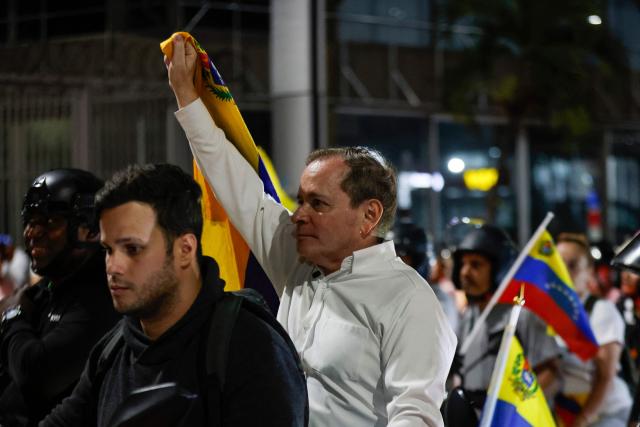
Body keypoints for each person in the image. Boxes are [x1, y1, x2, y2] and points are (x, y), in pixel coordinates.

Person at [166, 35, 456, 426]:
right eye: (300, 200)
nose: (298, 215)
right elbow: (237, 186)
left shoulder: (410, 301)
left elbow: (416, 416)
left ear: (368, 215)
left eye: (317, 204)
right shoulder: (298, 262)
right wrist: (188, 98)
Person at [42, 164, 308, 427]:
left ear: (185, 249)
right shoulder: (111, 350)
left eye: (132, 249)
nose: (113, 266)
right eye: (108, 250)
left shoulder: (250, 346)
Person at [0, 169, 120, 426]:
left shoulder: (102, 294)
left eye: (49, 222)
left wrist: (12, 316)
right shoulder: (46, 288)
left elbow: (36, 376)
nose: (32, 233)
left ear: (89, 229)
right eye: (30, 222)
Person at [451, 223, 560, 413]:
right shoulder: (469, 314)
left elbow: (551, 374)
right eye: (463, 264)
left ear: (499, 269)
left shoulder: (523, 314)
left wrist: (513, 408)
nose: (465, 272)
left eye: (475, 265)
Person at [554, 232, 632, 427]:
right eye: (557, 264)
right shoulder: (548, 313)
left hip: (607, 414)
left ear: (589, 271)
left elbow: (605, 377)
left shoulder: (602, 311)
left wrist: (582, 421)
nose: (563, 272)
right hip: (568, 411)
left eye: (572, 266)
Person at [391, 217, 459, 333]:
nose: (393, 266)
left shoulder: (437, 301)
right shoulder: (389, 295)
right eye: (390, 259)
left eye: (402, 258)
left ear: (419, 260)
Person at [0, 233, 30, 300]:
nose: (3, 250)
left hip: (20, 296)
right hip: (7, 296)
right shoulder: (4, 259)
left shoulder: (20, 257)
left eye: (3, 247)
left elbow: (20, 281)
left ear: (10, 246)